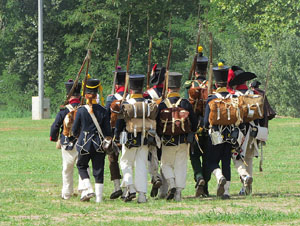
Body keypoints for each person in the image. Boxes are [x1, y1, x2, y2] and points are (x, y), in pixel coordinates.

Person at [157, 72, 197, 201]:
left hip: (167, 140)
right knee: (181, 166)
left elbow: (157, 123)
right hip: (183, 141)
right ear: (179, 88)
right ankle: (178, 194)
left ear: (168, 88)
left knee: (165, 165)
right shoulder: (185, 103)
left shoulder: (162, 104)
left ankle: (171, 183)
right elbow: (194, 123)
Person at [114, 74, 155, 203]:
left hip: (129, 139)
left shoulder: (126, 104)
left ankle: (130, 187)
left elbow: (119, 124)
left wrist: (116, 137)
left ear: (131, 89)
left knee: (125, 163)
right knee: (141, 166)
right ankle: (142, 195)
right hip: (144, 139)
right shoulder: (148, 103)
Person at [72, 78, 112, 203]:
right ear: (96, 94)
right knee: (99, 170)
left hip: (84, 143)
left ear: (86, 94)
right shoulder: (103, 110)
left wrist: (77, 135)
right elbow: (108, 132)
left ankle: (89, 188)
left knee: (81, 165)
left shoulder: (81, 110)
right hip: (99, 144)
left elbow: (74, 130)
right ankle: (99, 198)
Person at [204, 62, 238, 199]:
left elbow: (206, 122)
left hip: (216, 133)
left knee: (211, 160)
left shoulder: (211, 99)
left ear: (216, 84)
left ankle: (219, 177)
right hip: (230, 133)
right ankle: (226, 192)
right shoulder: (234, 98)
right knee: (226, 161)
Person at [50, 79, 84, 200]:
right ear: (80, 95)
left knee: (67, 168)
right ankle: (84, 190)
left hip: (67, 142)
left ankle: (66, 193)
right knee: (83, 167)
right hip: (83, 142)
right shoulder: (84, 108)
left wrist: (54, 137)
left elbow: (55, 126)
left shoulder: (63, 111)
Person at [227, 66, 257, 196]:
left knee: (237, 158)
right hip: (253, 131)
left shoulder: (233, 96)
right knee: (249, 159)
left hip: (238, 131)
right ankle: (246, 188)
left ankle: (244, 178)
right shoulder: (253, 94)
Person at [185, 45, 210, 197]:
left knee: (194, 156)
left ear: (195, 72)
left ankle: (199, 177)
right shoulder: (210, 85)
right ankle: (205, 187)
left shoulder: (190, 85)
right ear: (206, 71)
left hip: (195, 126)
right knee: (207, 156)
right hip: (208, 125)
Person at [143, 65, 166, 198]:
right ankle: (163, 189)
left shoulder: (148, 94)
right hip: (166, 129)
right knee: (165, 159)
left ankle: (154, 176)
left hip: (152, 129)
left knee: (151, 157)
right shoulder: (168, 92)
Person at [105, 68, 126, 199]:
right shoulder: (130, 96)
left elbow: (106, 116)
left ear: (116, 84)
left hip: (114, 134)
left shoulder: (111, 98)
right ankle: (127, 188)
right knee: (128, 162)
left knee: (113, 161)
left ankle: (118, 187)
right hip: (129, 133)